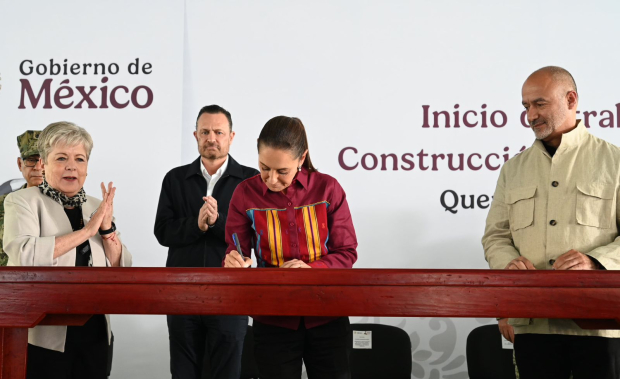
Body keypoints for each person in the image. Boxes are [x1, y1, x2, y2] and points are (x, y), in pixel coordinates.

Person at [482, 66, 620, 379]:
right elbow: (496, 236)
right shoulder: (513, 169)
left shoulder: (615, 162)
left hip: (598, 323)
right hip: (532, 322)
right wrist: (508, 264)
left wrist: (595, 261)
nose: (530, 115)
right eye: (526, 106)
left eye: (540, 104)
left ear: (571, 99)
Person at [224, 116, 358, 379]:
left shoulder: (328, 189)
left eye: (282, 171)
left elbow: (347, 253)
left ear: (301, 158)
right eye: (264, 168)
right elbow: (237, 250)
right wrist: (234, 261)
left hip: (327, 314)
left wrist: (310, 269)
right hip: (272, 318)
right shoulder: (244, 193)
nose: (271, 179)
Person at [3, 121, 132, 379]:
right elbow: (24, 255)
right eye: (61, 158)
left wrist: (106, 231)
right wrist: (85, 232)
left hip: (95, 330)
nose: (72, 165)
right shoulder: (23, 201)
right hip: (44, 331)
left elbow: (121, 269)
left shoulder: (97, 205)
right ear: (43, 164)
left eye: (80, 159)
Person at [154, 105, 258, 379]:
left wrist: (216, 222)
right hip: (181, 294)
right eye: (205, 131)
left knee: (228, 372)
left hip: (231, 295)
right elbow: (162, 232)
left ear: (231, 137)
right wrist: (196, 224)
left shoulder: (250, 181)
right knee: (183, 372)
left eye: (219, 132)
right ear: (195, 135)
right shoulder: (175, 179)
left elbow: (255, 234)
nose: (212, 137)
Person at [0, 130, 44, 266]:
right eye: (31, 160)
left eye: (45, 160)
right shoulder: (3, 204)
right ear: (20, 164)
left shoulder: (69, 205)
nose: (38, 167)